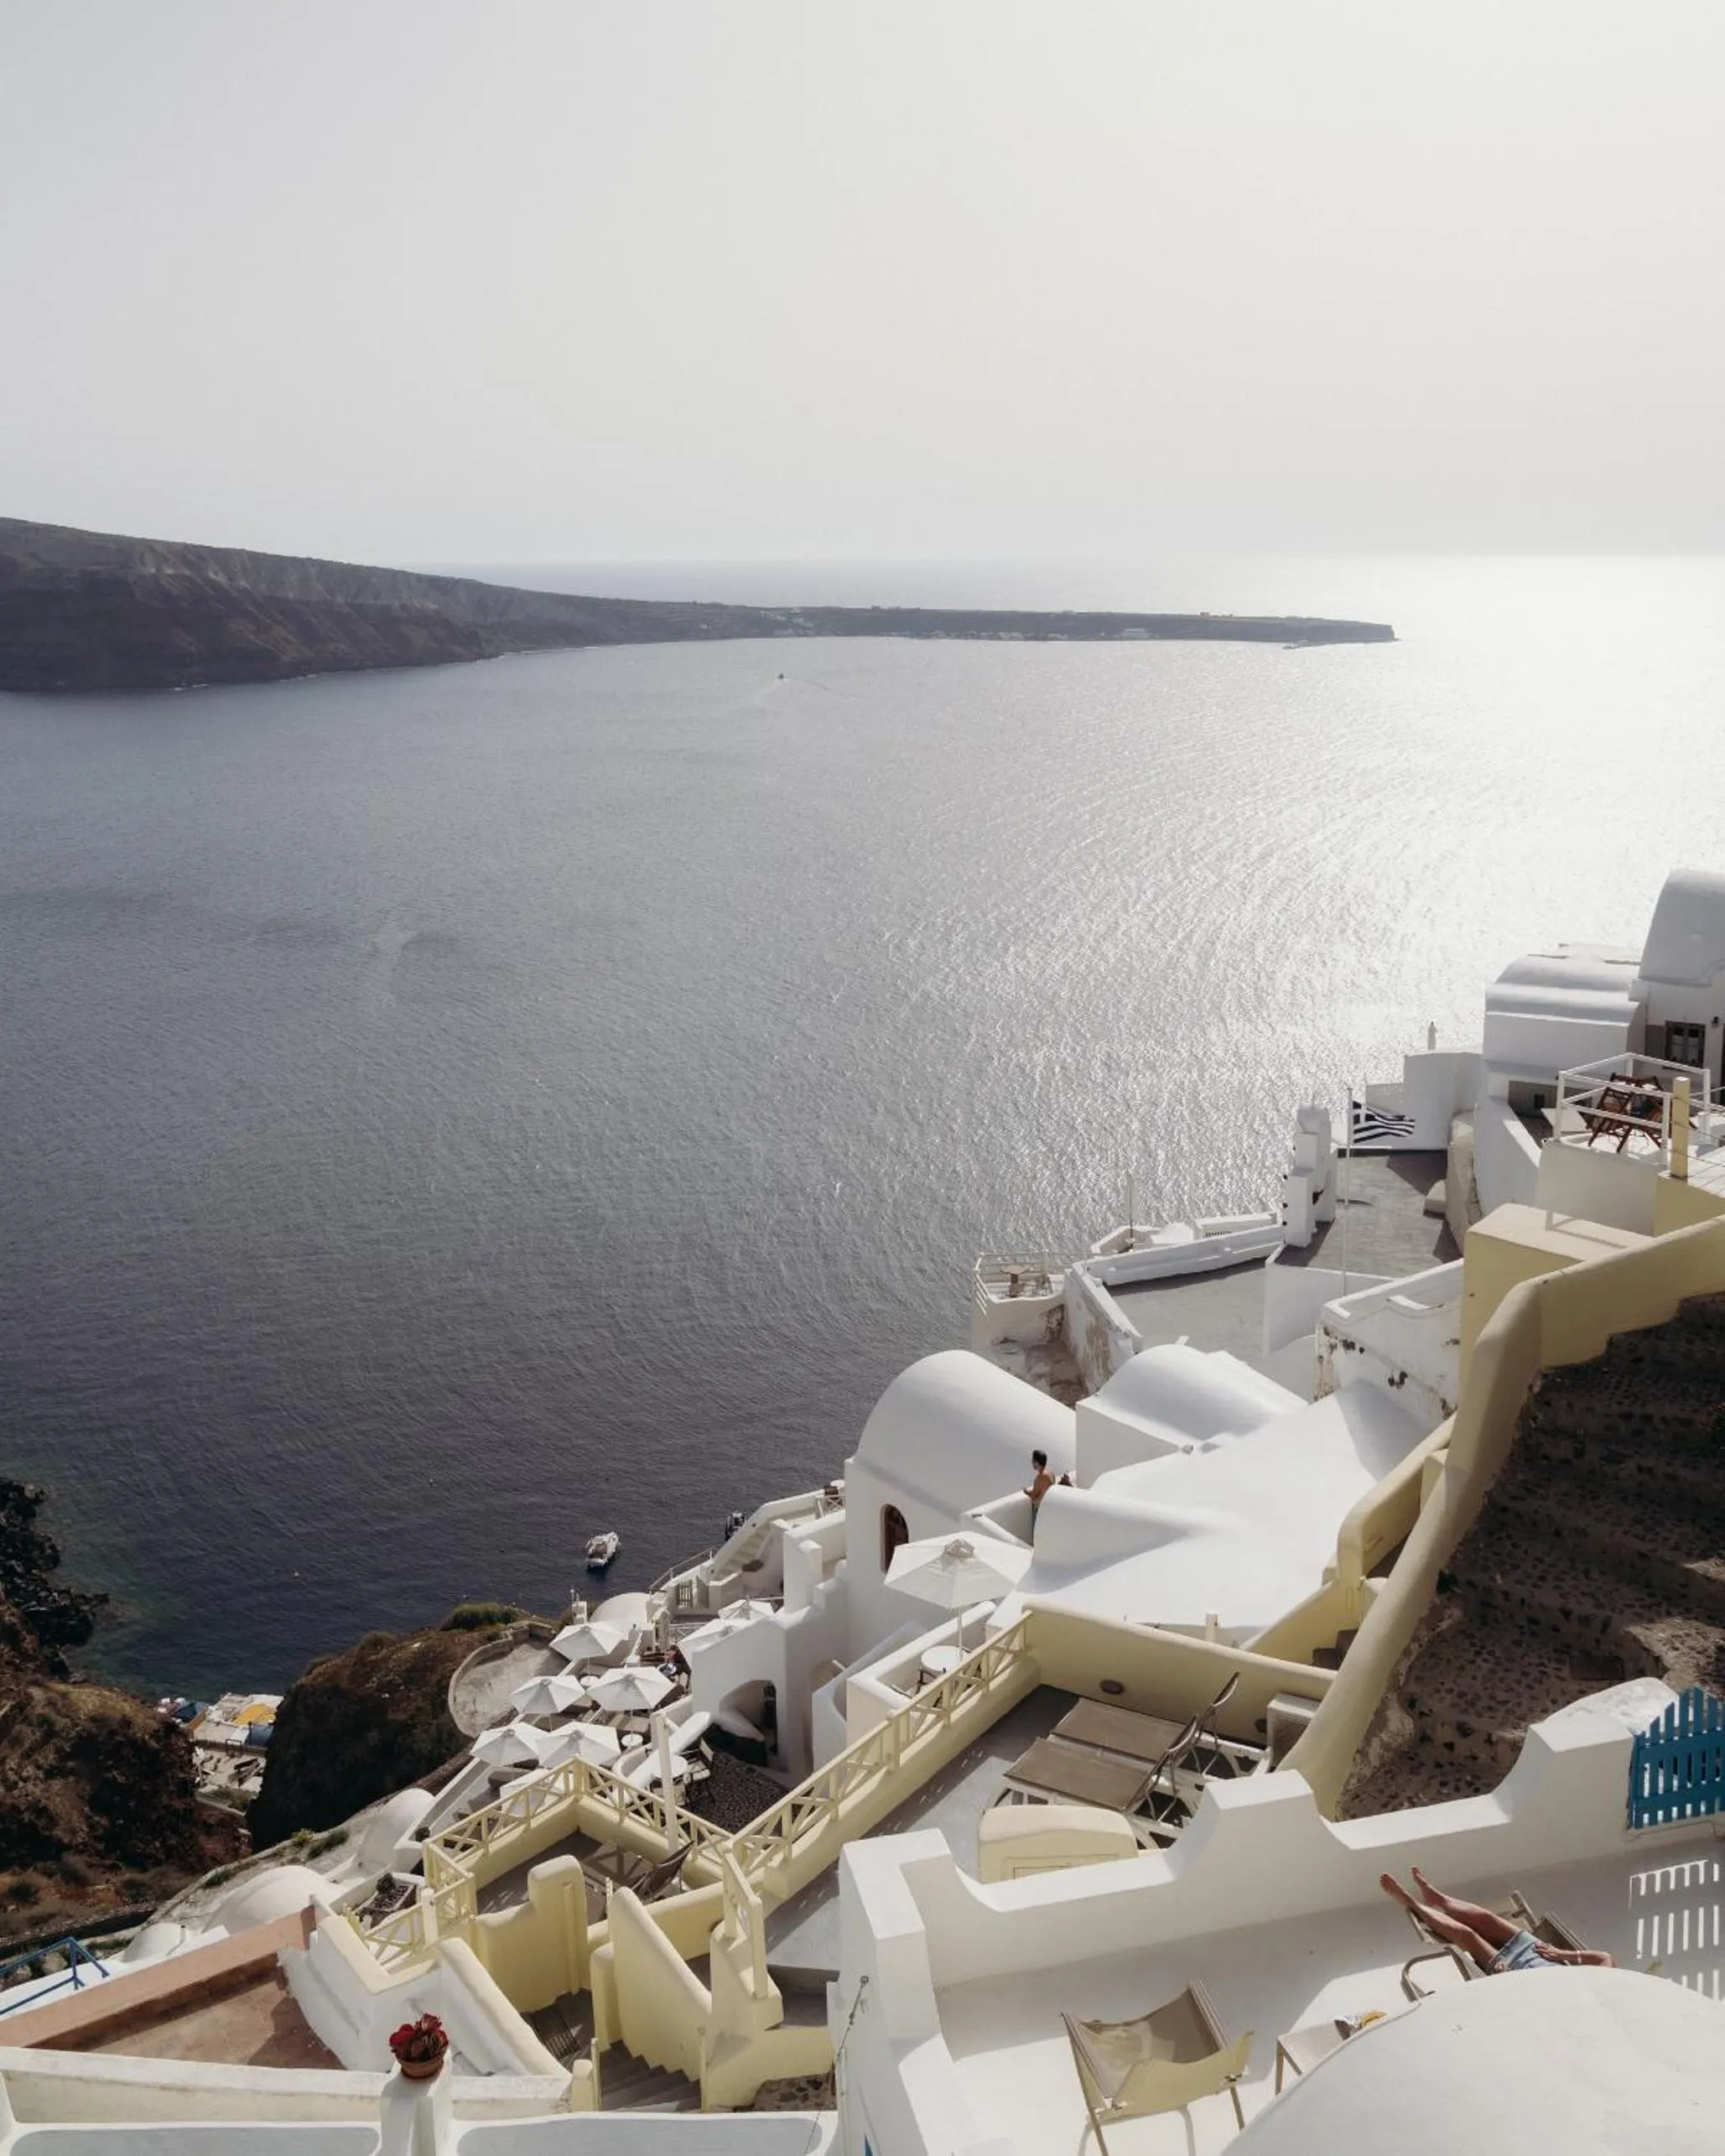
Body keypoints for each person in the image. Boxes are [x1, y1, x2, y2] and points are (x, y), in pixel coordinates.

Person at [1379, 1868, 1614, 1975]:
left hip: (1514, 1972)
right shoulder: (1607, 1984)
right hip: (1541, 1954)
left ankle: (1411, 1903)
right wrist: (1564, 1955)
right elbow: (1605, 1958)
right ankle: (1438, 1898)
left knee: (1468, 1936)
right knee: (1485, 1918)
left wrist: (1507, 1981)